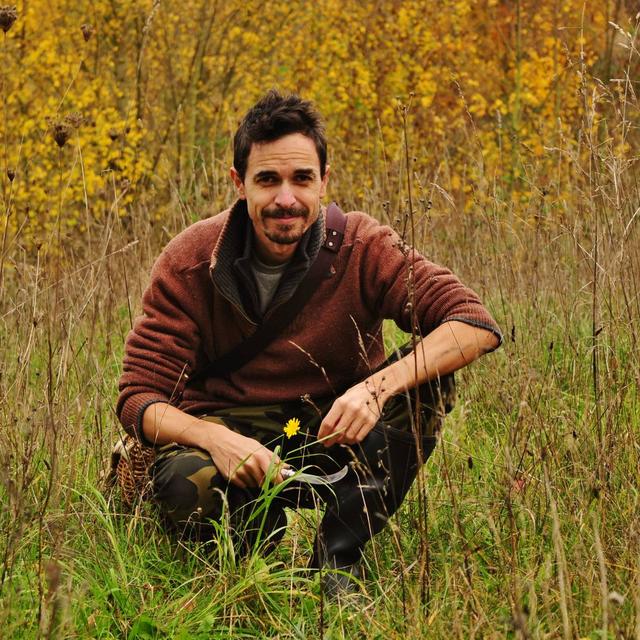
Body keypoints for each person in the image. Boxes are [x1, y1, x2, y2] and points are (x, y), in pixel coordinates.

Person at [116, 89, 501, 594]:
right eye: (267, 180)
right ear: (239, 184)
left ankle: (339, 561)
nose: (286, 199)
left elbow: (472, 322)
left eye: (302, 179)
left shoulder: (363, 245)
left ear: (324, 181)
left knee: (427, 381)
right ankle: (245, 559)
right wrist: (216, 439)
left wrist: (375, 389)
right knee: (187, 482)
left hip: (333, 425)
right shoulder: (190, 260)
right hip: (230, 429)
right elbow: (138, 400)